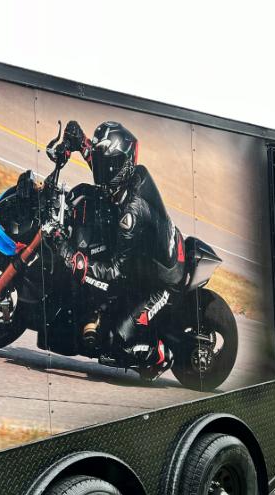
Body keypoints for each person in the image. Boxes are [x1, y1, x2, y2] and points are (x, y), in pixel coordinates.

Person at [50, 120, 186, 379]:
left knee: (115, 342)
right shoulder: (126, 174)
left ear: (122, 165)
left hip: (159, 282)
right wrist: (76, 142)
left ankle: (159, 354)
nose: (102, 170)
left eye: (108, 166)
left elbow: (113, 271)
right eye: (103, 164)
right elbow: (98, 157)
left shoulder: (130, 215)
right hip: (141, 258)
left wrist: (70, 255)